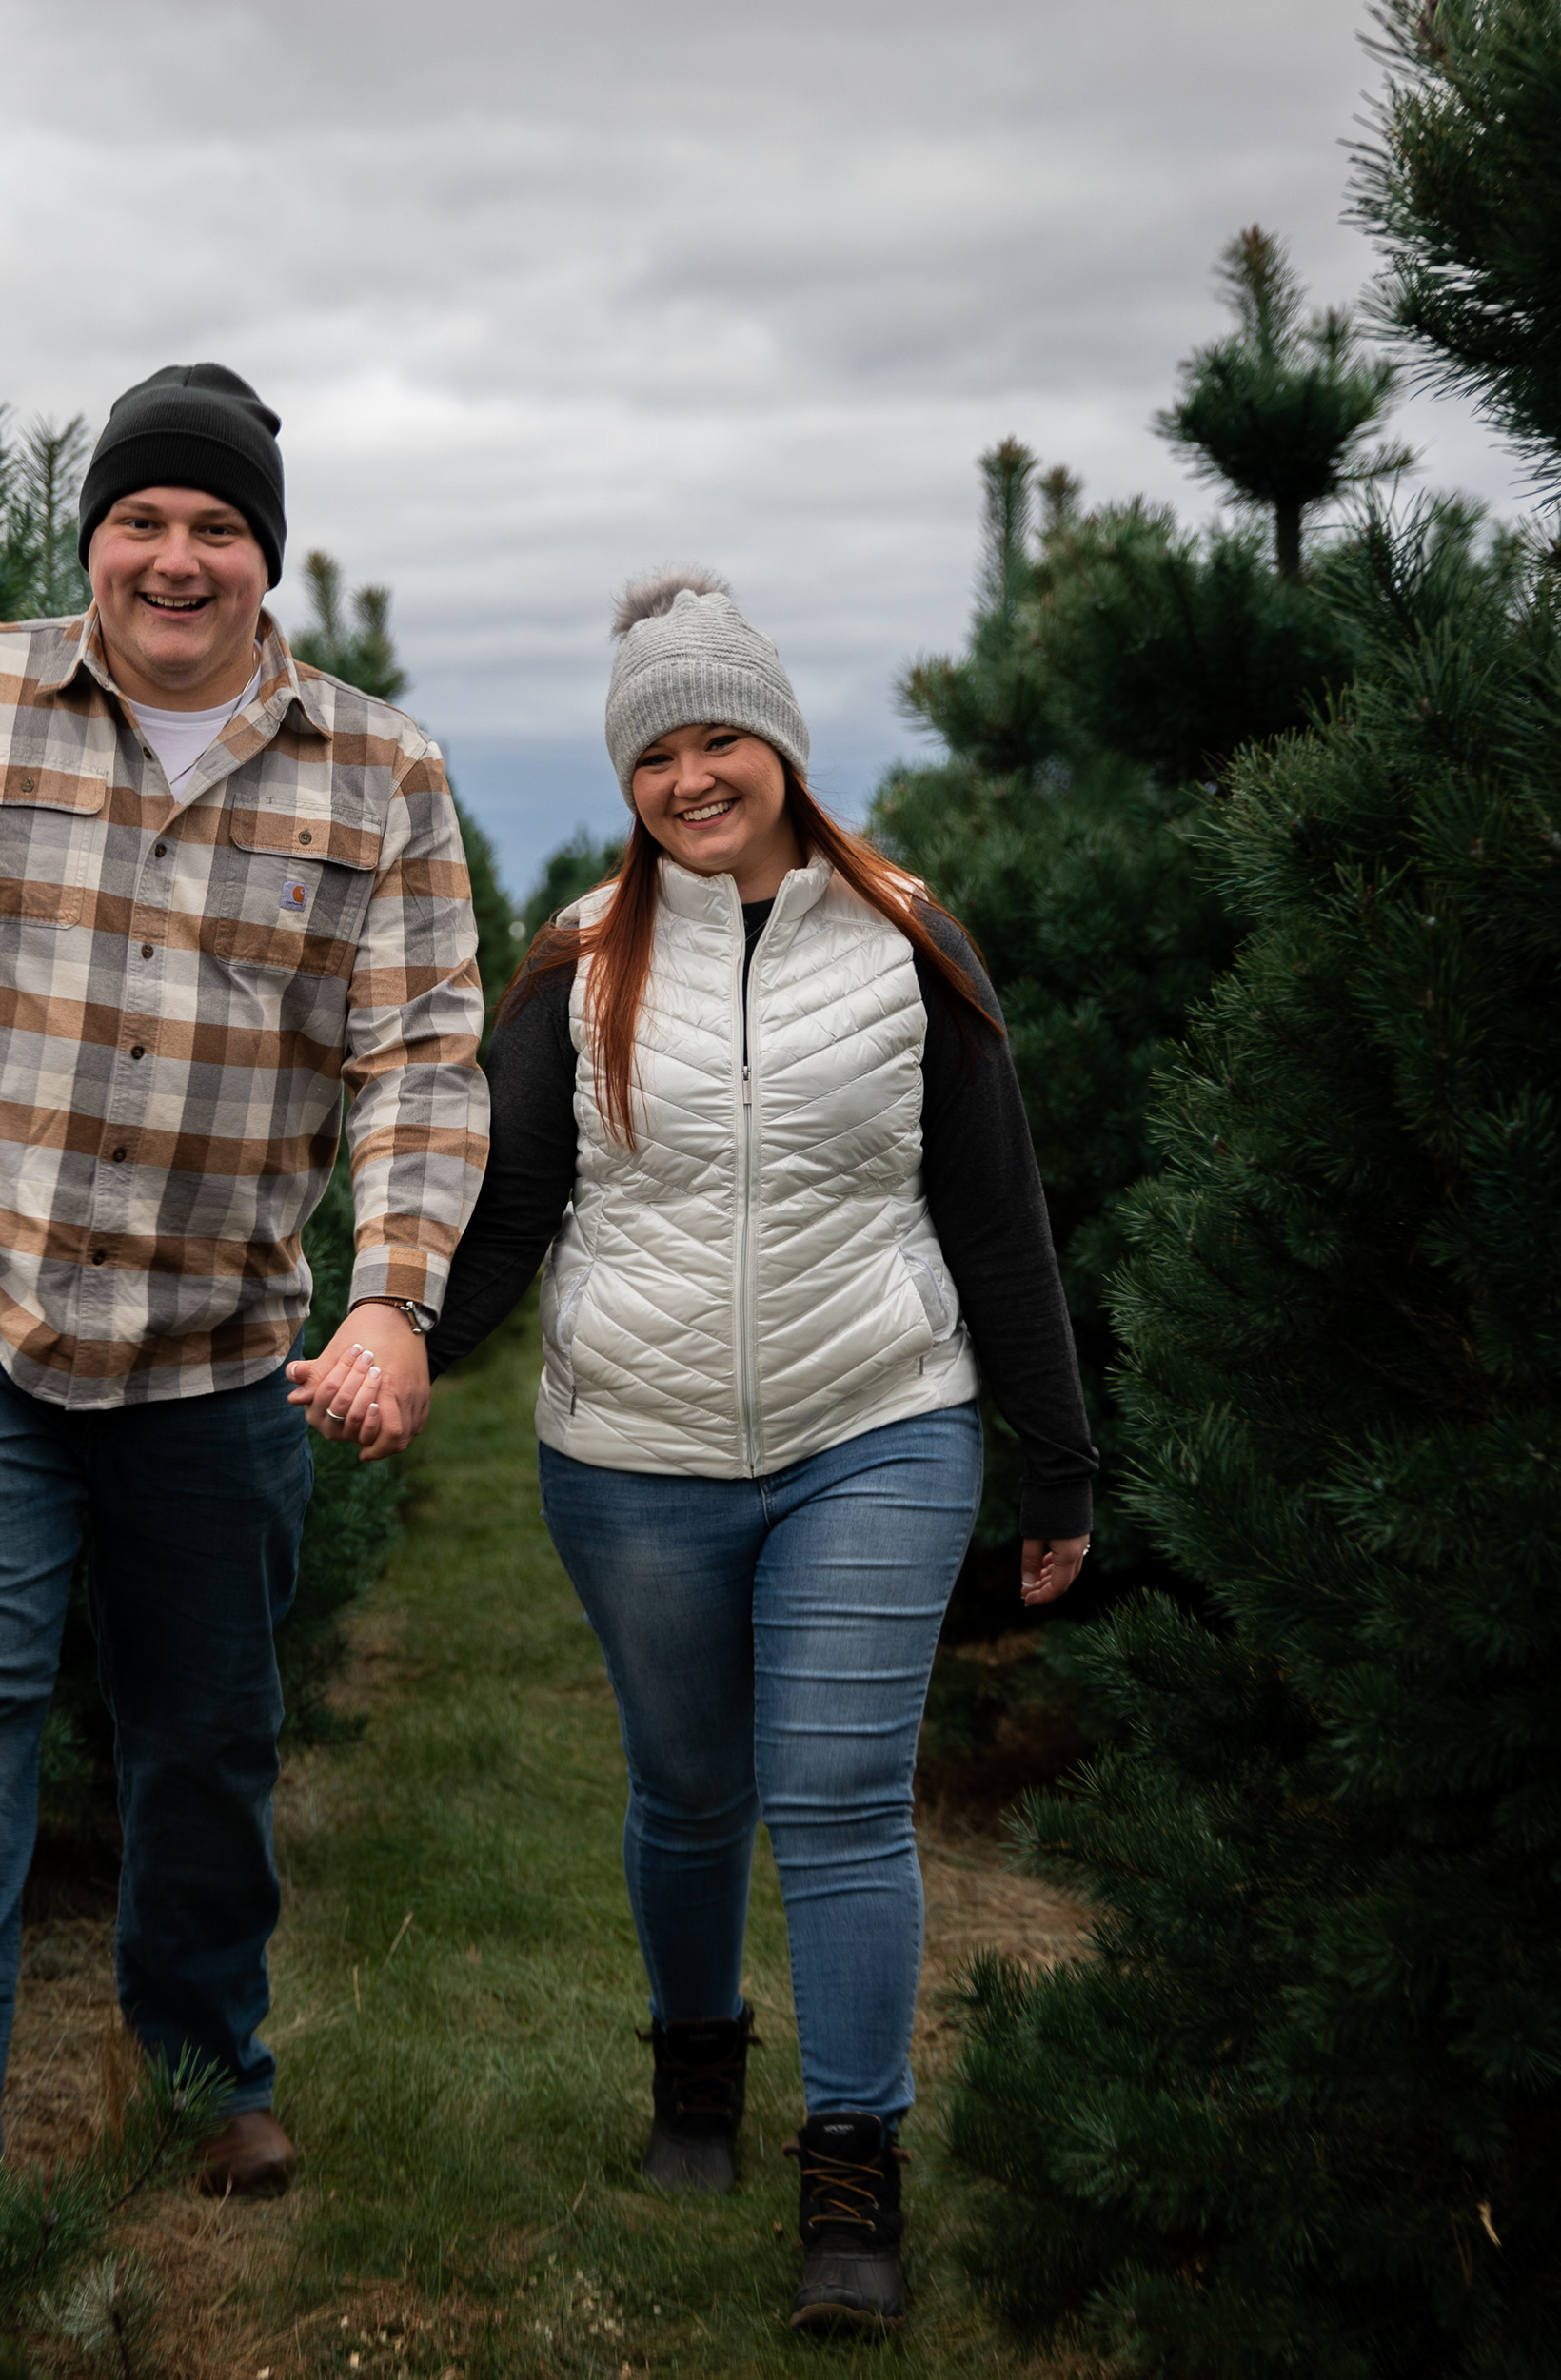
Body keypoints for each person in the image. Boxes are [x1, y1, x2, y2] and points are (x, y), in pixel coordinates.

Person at [0, 362, 488, 2298]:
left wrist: (394, 1295)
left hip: (221, 1344)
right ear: (91, 538)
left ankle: (200, 2068)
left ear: (268, 557)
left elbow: (421, 1058)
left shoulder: (381, 774)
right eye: (143, 520)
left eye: (217, 526)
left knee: (206, 1736)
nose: (178, 558)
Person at [302, 569, 1094, 2335]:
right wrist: (400, 1344)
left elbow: (996, 1215)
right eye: (654, 754)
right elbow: (508, 1215)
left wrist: (1059, 1462)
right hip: (634, 1454)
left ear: (784, 746)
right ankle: (694, 2067)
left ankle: (853, 2173)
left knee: (838, 1797)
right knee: (686, 1789)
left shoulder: (909, 943)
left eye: (720, 736)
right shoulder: (581, 962)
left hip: (874, 1424)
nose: (689, 777)